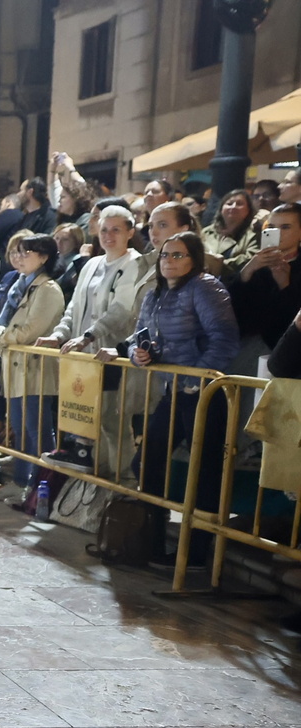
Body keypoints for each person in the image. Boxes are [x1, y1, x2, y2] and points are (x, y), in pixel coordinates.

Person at [97, 231, 237, 565]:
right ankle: (151, 541)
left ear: (194, 259)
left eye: (178, 255)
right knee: (146, 461)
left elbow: (224, 339)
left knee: (204, 473)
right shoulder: (155, 293)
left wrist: (196, 378)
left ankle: (198, 554)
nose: (169, 261)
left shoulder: (205, 287)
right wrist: (138, 354)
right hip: (174, 390)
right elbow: (140, 337)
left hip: (205, 391)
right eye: (165, 255)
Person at [36, 205, 152, 474]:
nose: (108, 236)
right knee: (84, 419)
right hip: (83, 357)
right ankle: (94, 478)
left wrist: (89, 336)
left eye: (116, 230)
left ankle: (122, 479)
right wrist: (59, 335)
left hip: (109, 353)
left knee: (112, 422)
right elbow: (74, 307)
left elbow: (122, 311)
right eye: (104, 230)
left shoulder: (135, 264)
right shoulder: (91, 264)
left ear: (130, 232)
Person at [0, 235, 64, 500]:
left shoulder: (48, 289)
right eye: (18, 252)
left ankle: (42, 488)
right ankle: (22, 481)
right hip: (14, 367)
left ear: (44, 257)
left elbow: (28, 330)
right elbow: (3, 322)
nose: (19, 258)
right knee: (20, 430)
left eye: (26, 253)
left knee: (38, 431)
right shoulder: (19, 285)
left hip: (35, 369)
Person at [232, 202, 301, 358]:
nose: (277, 233)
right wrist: (246, 273)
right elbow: (231, 308)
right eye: (271, 227)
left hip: (284, 349)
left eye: (285, 227)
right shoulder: (255, 263)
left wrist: (285, 285)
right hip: (245, 341)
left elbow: (293, 320)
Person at [203, 189, 261, 274]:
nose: (233, 207)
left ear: (248, 210)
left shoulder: (253, 234)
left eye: (239, 204)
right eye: (229, 204)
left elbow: (251, 259)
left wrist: (219, 264)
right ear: (221, 209)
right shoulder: (206, 231)